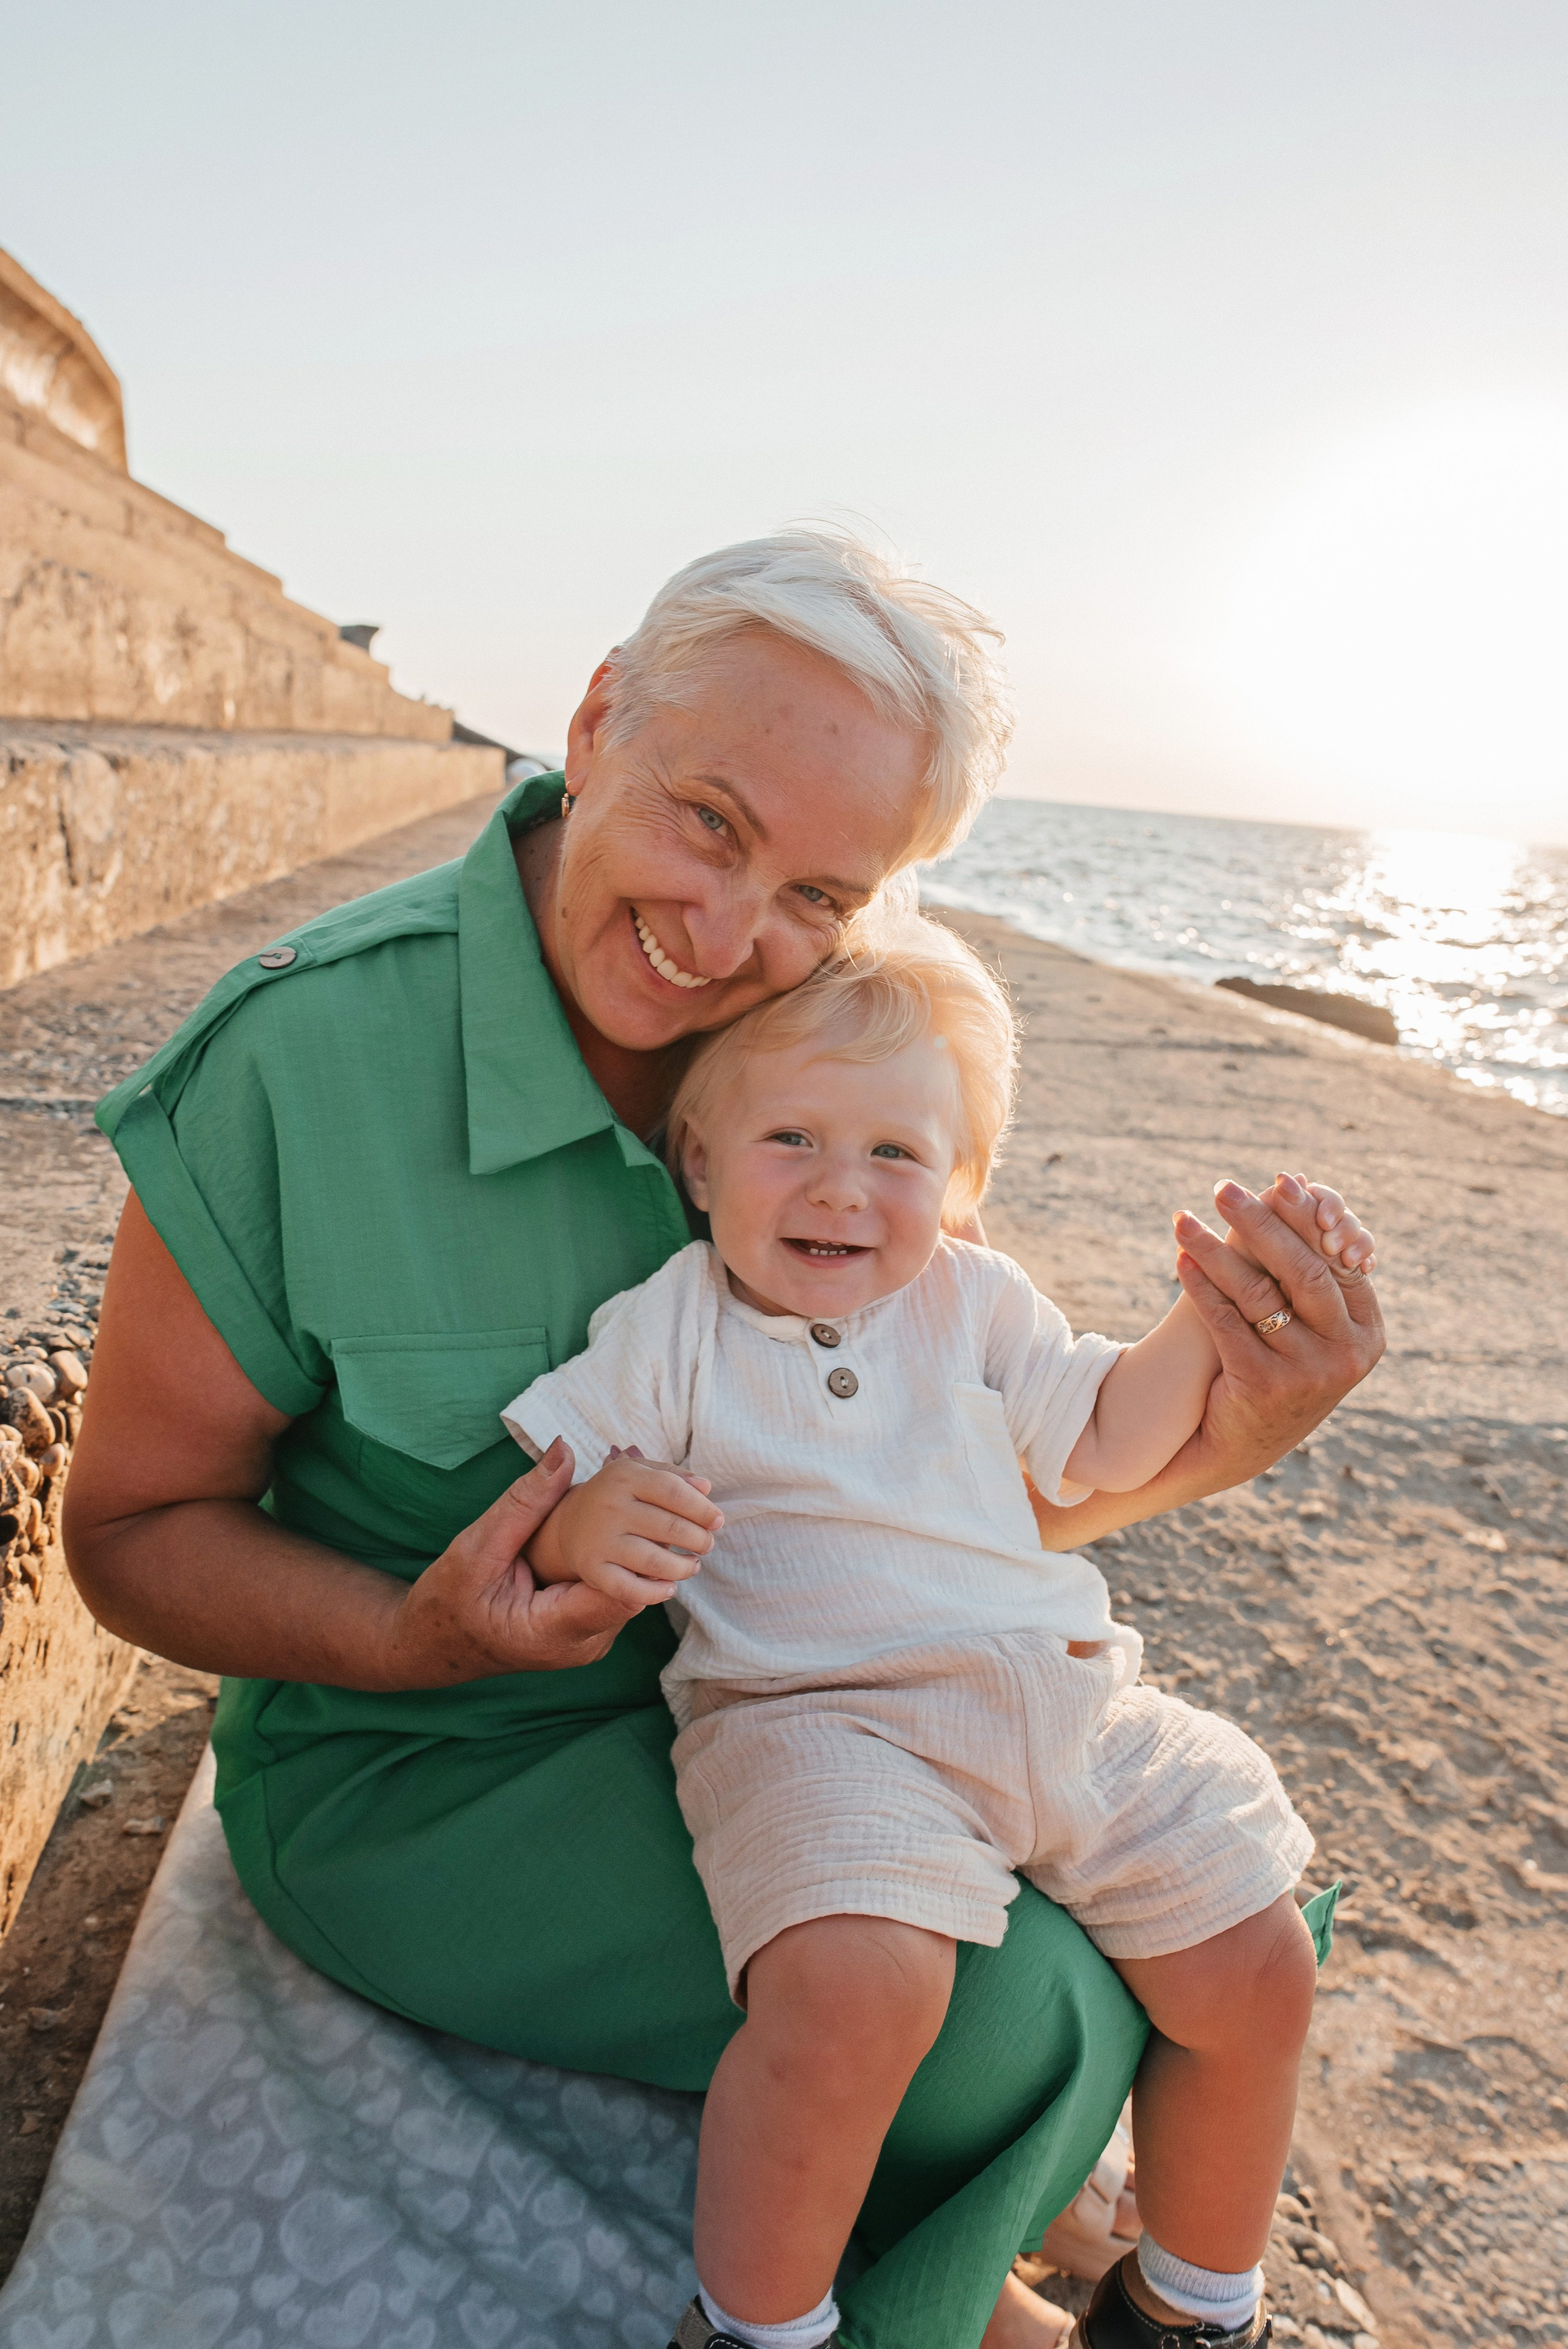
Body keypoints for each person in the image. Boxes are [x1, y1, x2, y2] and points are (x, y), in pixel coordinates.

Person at [65, 534, 1384, 2349]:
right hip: (437, 1756)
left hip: (821, 1695)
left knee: (1200, 1937)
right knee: (1010, 2015)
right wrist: (416, 1632)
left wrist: (1239, 1421)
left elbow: (943, 1485)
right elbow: (130, 1528)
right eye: (705, 819)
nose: (724, 933)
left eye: (819, 890)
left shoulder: (833, 1038)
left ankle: (998, 2265)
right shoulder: (302, 1056)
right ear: (598, 718)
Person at [500, 921, 1379, 2349]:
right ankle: (758, 2327)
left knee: (1259, 1960)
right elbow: (552, 1490)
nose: (840, 1185)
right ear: (699, 1163)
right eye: (791, 1137)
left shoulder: (971, 1301)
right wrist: (584, 1527)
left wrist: (1204, 1321)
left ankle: (1188, 2305)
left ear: (958, 1185)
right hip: (818, 1720)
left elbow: (1103, 1437)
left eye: (895, 1153)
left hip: (1060, 1700)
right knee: (856, 1990)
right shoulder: (672, 1328)